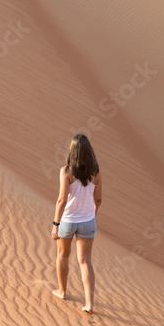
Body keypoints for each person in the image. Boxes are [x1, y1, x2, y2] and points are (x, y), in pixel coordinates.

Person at [50, 134, 102, 314]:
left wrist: (55, 224)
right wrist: (92, 213)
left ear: (73, 150)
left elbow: (61, 200)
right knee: (85, 261)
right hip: (87, 221)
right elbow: (99, 198)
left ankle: (62, 291)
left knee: (63, 255)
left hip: (68, 221)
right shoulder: (95, 172)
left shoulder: (66, 171)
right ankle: (89, 303)